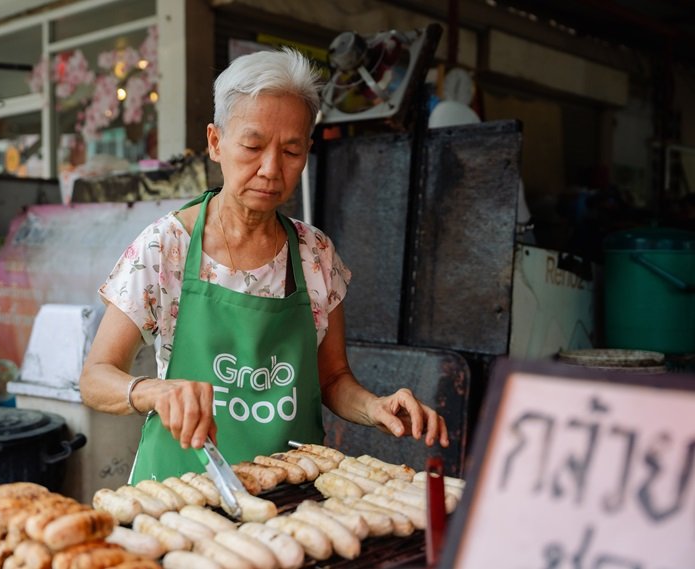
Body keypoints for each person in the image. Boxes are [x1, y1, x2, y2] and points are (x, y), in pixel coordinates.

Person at [79, 47, 449, 483]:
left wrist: (373, 406)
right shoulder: (166, 248)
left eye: (291, 152)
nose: (271, 169)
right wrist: (153, 391)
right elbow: (95, 378)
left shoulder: (315, 254)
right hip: (178, 494)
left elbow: (332, 378)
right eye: (253, 146)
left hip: (290, 496)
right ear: (216, 143)